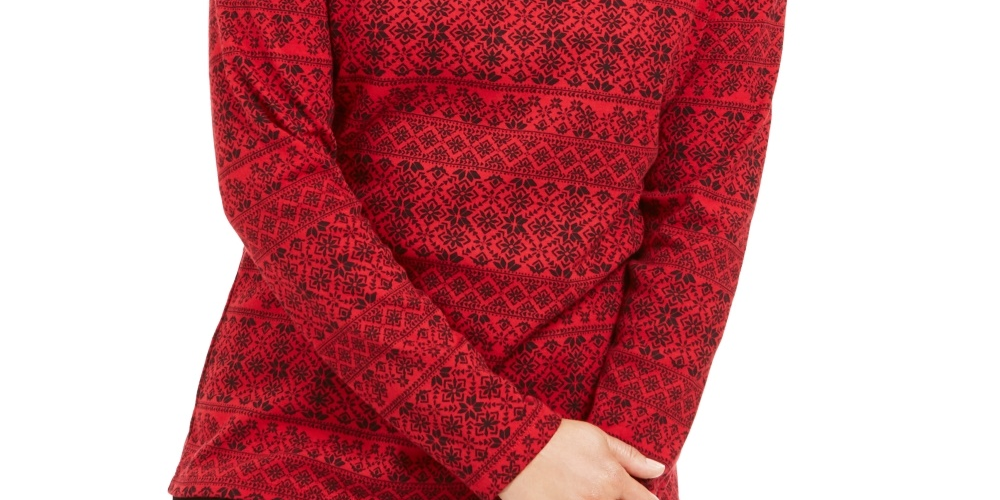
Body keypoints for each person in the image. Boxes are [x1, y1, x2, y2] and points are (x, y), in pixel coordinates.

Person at [166, 0, 787, 499]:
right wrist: (504, 443)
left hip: (583, 460)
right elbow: (272, 168)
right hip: (305, 454)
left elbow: (704, 210)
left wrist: (623, 460)